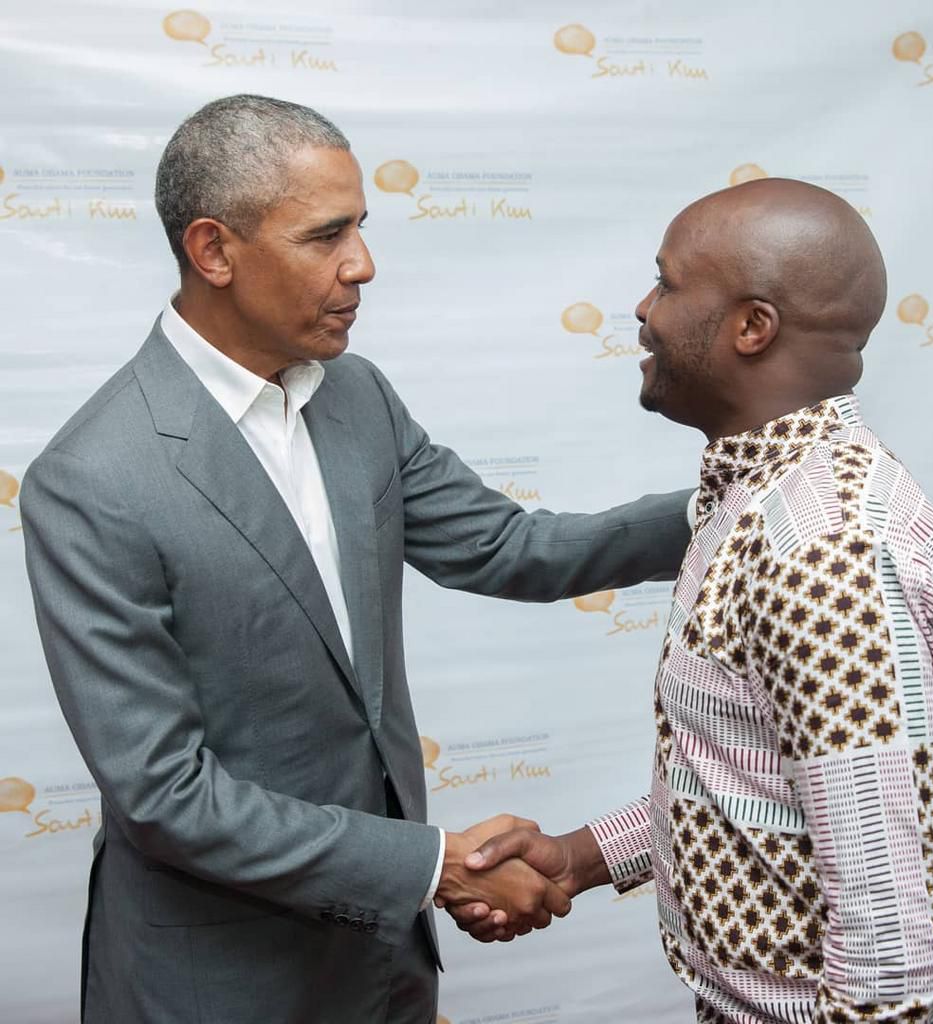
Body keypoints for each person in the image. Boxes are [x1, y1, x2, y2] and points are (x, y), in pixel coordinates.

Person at [19, 94, 693, 1024]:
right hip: (215, 984)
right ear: (213, 251)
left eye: (362, 228)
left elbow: (509, 547)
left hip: (382, 970)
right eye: (326, 235)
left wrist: (734, 499)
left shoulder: (356, 394)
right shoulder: (93, 479)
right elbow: (164, 796)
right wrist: (430, 865)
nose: (363, 266)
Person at [451, 178, 933, 1023]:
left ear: (752, 326)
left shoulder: (823, 551)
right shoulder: (757, 499)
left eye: (669, 283)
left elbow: (896, 964)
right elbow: (753, 778)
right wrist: (579, 857)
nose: (643, 309)